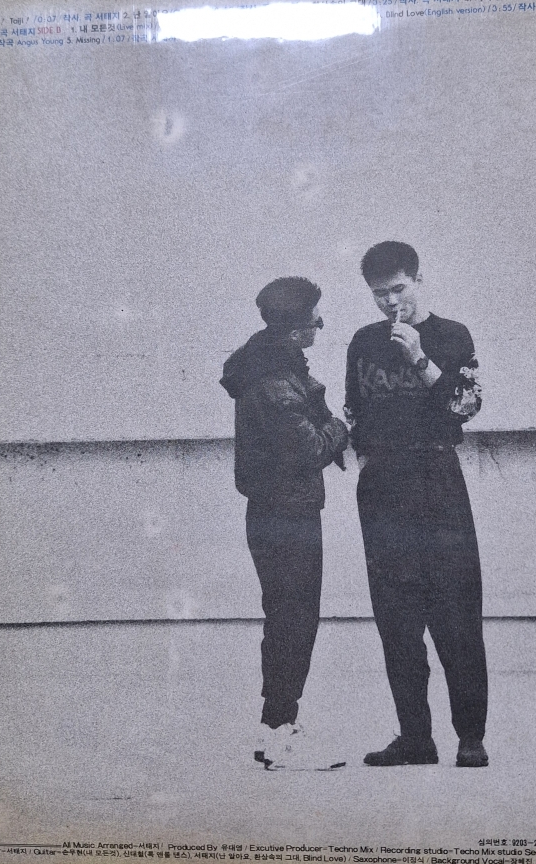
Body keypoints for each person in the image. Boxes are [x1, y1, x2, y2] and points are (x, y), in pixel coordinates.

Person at [344, 241, 488, 768]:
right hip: (384, 485)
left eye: (399, 289)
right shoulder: (363, 341)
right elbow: (355, 412)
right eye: (379, 293)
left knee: (456, 612)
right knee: (396, 618)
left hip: (437, 480)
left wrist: (419, 358)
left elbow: (465, 406)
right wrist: (369, 463)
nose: (390, 302)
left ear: (419, 280)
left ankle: (470, 737)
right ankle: (415, 737)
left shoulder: (452, 335)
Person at [220, 276, 349, 770]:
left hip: (274, 512)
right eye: (316, 317)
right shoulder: (276, 384)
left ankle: (275, 727)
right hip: (288, 515)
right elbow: (312, 448)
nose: (321, 323)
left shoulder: (267, 365)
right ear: (296, 330)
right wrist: (342, 426)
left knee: (285, 619)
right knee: (294, 621)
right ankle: (280, 734)